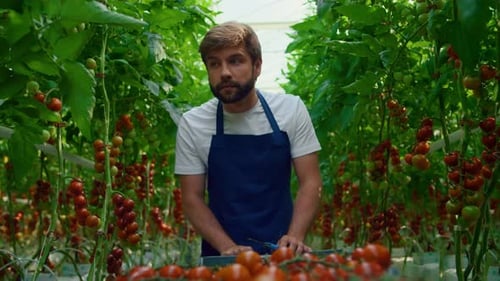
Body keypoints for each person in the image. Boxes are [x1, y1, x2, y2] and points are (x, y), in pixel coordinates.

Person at [174, 21, 323, 257]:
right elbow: (192, 198)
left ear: (257, 66)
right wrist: (226, 247)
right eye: (214, 64)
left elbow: (311, 182)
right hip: (221, 257)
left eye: (235, 60)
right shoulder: (193, 123)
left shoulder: (291, 110)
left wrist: (295, 236)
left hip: (283, 254)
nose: (224, 72)